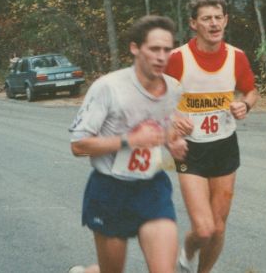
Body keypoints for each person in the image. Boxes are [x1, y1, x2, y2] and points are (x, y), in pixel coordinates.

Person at [68, 16, 191, 273]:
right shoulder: (108, 87)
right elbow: (78, 145)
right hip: (110, 190)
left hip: (152, 188)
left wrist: (174, 143)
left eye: (167, 50)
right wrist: (130, 141)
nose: (161, 56)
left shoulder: (173, 89)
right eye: (154, 49)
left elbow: (164, 131)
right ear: (135, 48)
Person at [165, 0, 258, 273]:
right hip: (190, 150)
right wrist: (173, 117)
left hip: (224, 146)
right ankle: (187, 252)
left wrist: (245, 105)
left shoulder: (236, 57)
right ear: (194, 24)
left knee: (217, 229)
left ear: (226, 20)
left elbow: (251, 91)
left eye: (218, 17)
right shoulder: (177, 58)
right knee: (203, 229)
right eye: (206, 18)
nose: (214, 23)